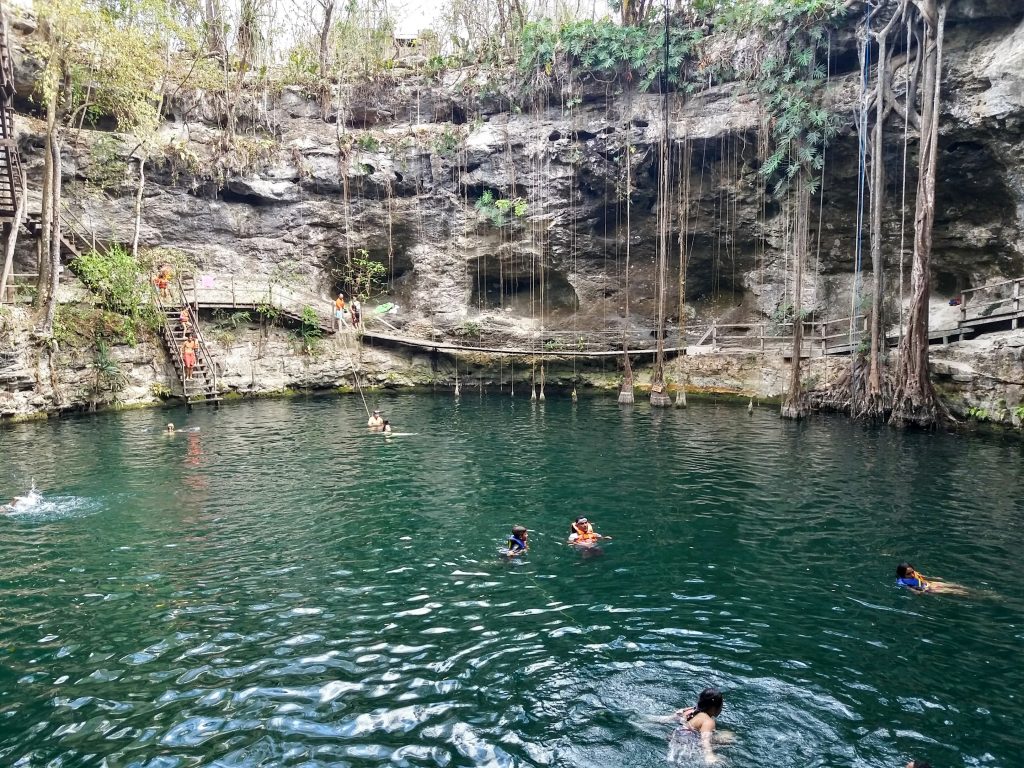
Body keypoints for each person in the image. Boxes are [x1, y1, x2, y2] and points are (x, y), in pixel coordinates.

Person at [672, 688, 725, 765]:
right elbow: (705, 740)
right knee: (727, 738)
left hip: (675, 736)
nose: (721, 708)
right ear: (714, 708)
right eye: (721, 705)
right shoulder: (708, 722)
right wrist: (709, 756)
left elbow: (667, 719)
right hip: (687, 742)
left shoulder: (689, 711)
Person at [895, 562, 968, 595]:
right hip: (928, 589)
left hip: (929, 583)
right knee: (956, 592)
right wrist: (922, 591)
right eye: (908, 574)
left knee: (956, 586)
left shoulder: (913, 573)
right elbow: (915, 591)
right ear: (902, 575)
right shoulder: (902, 582)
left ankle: (973, 590)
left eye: (912, 572)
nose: (912, 575)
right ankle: (973, 596)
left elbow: (922, 576)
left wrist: (934, 578)